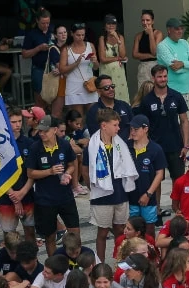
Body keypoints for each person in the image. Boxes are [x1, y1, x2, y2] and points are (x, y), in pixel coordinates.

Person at [87, 108, 139, 261]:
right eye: (115, 125)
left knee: (120, 230)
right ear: (104, 126)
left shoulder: (119, 144)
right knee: (102, 232)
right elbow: (85, 169)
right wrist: (95, 187)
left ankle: (121, 261)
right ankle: (100, 264)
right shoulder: (93, 145)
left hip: (120, 193)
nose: (119, 128)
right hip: (102, 195)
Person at [26, 115, 80, 257]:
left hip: (65, 196)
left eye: (45, 131)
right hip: (45, 200)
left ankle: (74, 264)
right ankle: (55, 266)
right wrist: (49, 171)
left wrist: (68, 174)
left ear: (55, 130)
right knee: (50, 237)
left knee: (75, 232)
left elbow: (71, 164)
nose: (42, 134)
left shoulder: (64, 144)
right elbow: (30, 173)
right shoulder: (35, 148)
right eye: (40, 131)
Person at [132, 64, 189, 193]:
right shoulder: (147, 101)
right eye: (159, 77)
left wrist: (186, 145)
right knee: (155, 179)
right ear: (153, 78)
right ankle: (156, 210)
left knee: (179, 180)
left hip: (175, 145)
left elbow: (185, 121)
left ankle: (178, 209)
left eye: (165, 76)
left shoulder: (176, 96)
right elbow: (143, 126)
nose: (163, 79)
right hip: (155, 146)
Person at [96, 13, 130, 104]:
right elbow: (103, 59)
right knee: (108, 92)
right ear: (105, 25)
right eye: (108, 24)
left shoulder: (120, 37)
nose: (111, 26)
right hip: (107, 71)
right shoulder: (102, 38)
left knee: (121, 95)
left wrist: (117, 39)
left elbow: (123, 55)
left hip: (119, 72)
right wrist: (117, 58)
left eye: (113, 24)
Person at [131, 8, 164, 88]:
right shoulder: (138, 36)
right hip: (143, 67)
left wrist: (150, 34)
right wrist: (149, 56)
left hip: (155, 66)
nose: (145, 23)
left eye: (148, 20)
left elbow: (154, 52)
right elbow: (134, 54)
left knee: (156, 90)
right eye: (143, 20)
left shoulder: (158, 34)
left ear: (152, 21)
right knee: (143, 92)